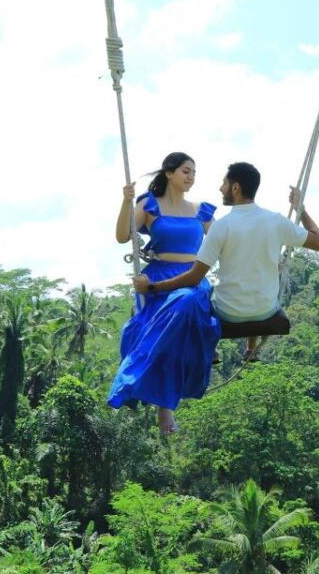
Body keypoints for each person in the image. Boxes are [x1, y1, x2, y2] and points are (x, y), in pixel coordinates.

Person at [132, 161, 319, 363]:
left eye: (224, 184)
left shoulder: (222, 227)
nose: (220, 188)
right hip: (265, 309)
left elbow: (193, 277)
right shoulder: (276, 221)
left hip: (229, 312)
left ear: (236, 188)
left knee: (201, 295)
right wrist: (300, 210)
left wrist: (152, 287)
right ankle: (251, 348)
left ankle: (210, 348)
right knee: (255, 279)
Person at [108, 152, 221, 434]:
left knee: (184, 302)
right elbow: (123, 236)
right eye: (186, 171)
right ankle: (164, 405)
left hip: (192, 279)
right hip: (157, 279)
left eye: (194, 172)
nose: (191, 176)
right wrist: (125, 200)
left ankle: (165, 404)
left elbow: (225, 242)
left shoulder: (201, 210)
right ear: (169, 173)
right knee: (160, 323)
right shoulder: (149, 204)